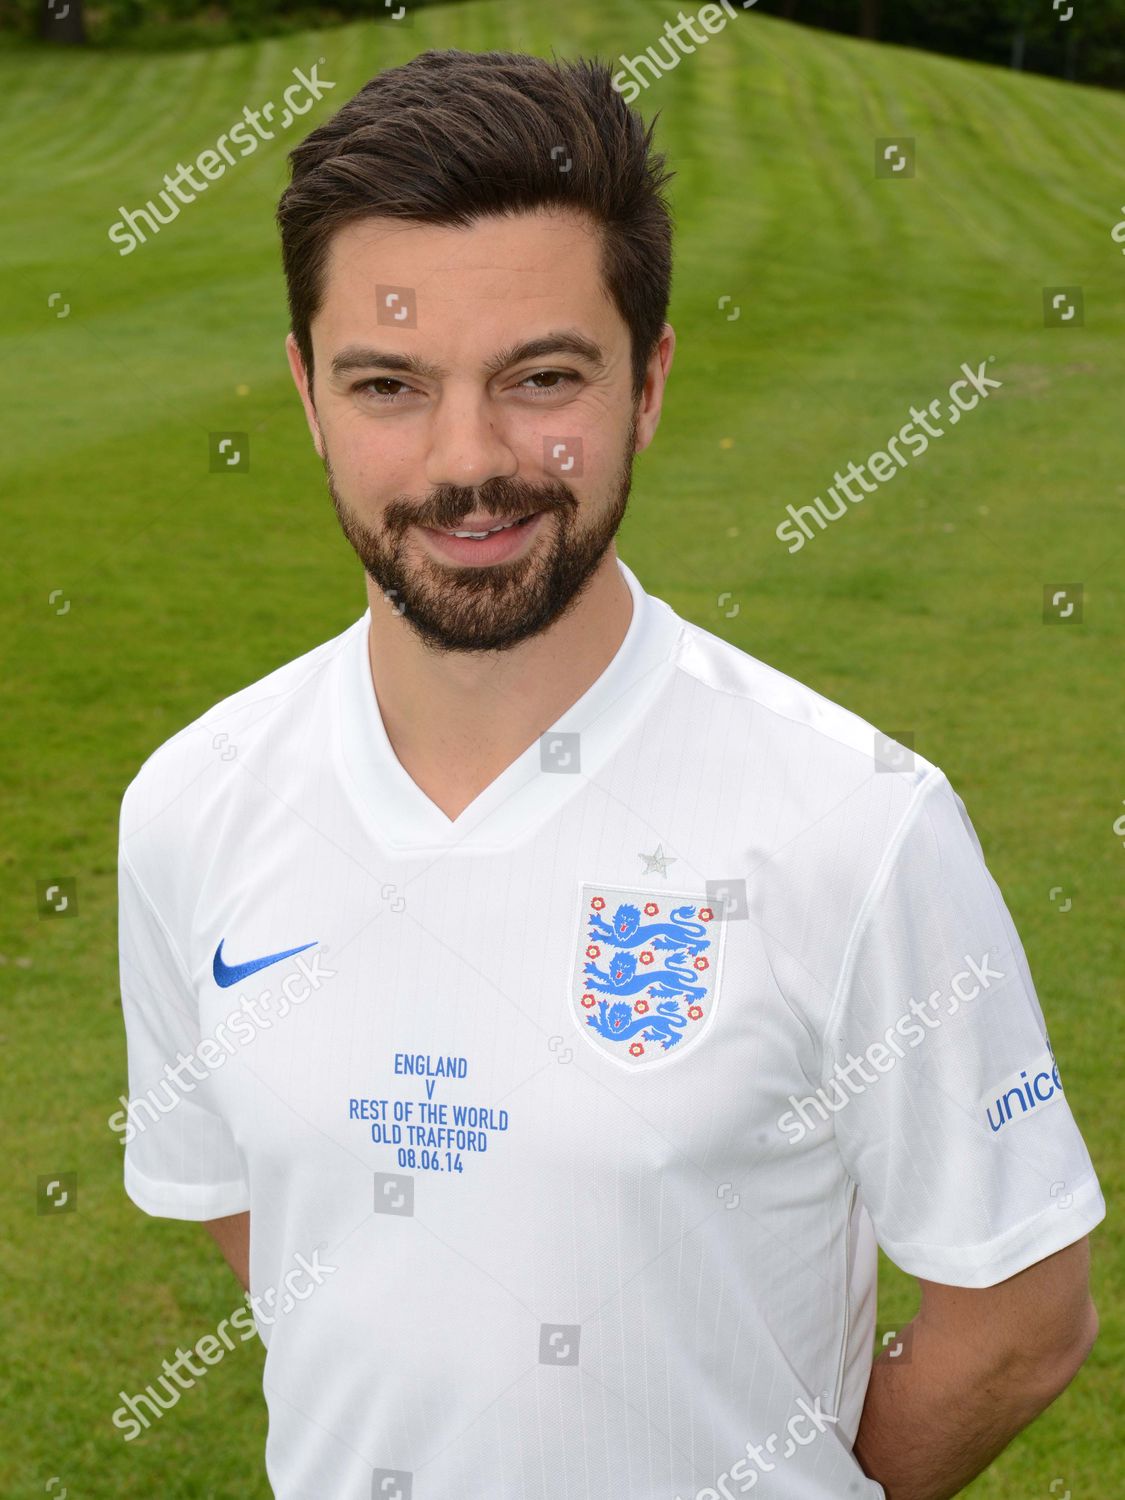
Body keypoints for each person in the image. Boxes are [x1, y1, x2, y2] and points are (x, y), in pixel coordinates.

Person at [117, 47, 1104, 1500]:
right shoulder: (191, 804)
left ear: (645, 383)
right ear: (307, 393)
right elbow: (261, 1218)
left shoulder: (855, 823)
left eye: (541, 379)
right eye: (389, 383)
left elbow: (1018, 1322)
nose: (470, 462)